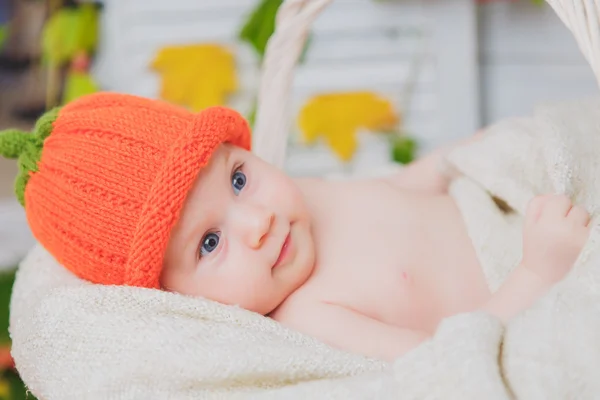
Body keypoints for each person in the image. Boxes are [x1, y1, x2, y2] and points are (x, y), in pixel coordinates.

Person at [0, 92, 590, 362]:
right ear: (178, 301)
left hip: (525, 212)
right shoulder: (312, 314)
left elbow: (408, 182)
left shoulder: (306, 198)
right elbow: (445, 361)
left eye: (237, 180)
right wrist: (539, 271)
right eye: (209, 243)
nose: (257, 224)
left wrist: (473, 155)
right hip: (532, 285)